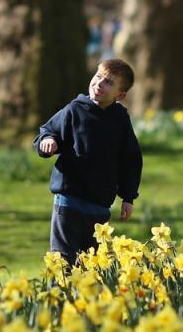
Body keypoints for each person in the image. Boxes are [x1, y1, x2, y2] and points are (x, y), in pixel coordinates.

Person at [33, 58, 143, 266]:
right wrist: (48, 141)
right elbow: (48, 131)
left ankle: (85, 297)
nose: (99, 84)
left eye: (109, 82)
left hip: (99, 206)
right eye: (98, 77)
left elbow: (131, 160)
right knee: (63, 261)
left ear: (120, 95)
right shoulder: (75, 110)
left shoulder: (120, 120)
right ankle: (59, 296)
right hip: (68, 200)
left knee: (92, 263)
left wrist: (128, 197)